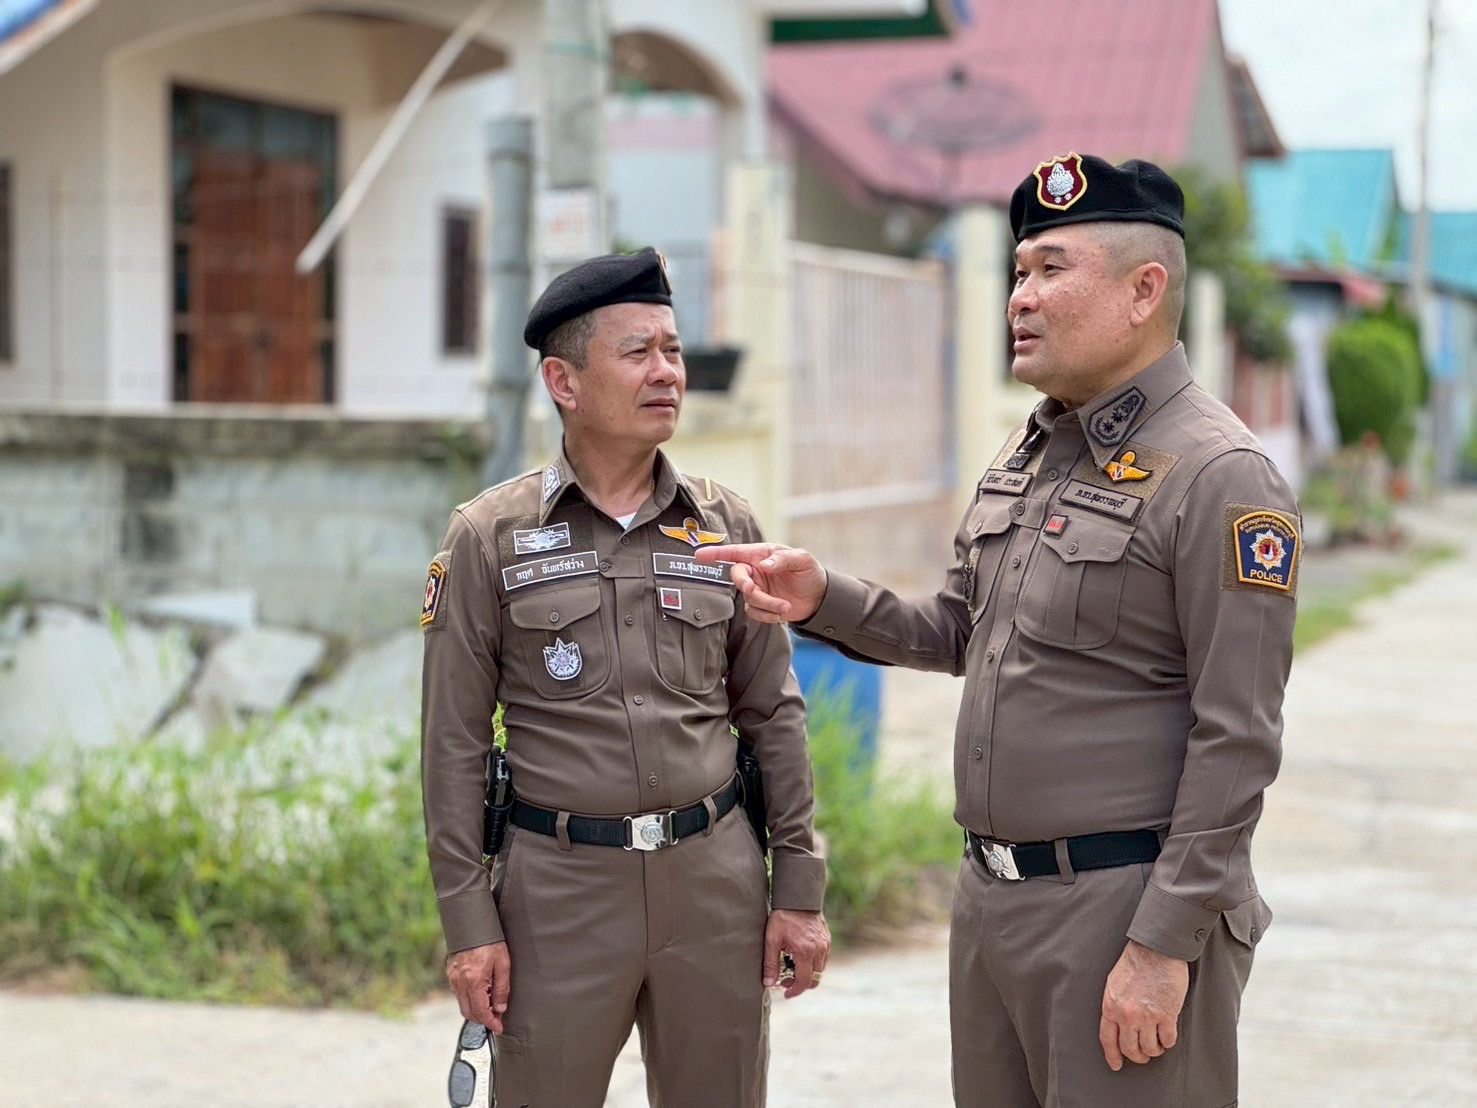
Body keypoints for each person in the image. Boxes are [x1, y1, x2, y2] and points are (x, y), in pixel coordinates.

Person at [702, 155, 1297, 1107]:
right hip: (991, 904)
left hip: (1121, 909)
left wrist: (1162, 943)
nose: (1019, 297)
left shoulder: (1219, 474)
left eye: (1051, 270)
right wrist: (821, 597)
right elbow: (960, 630)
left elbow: (1238, 738)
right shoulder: (1034, 451)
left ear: (1143, 290)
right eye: (1018, 271)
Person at [419, 247, 829, 1108]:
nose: (666, 372)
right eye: (637, 351)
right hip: (559, 894)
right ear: (563, 382)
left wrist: (798, 890)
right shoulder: (488, 537)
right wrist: (469, 926)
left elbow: (773, 715)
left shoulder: (723, 525)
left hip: (713, 886)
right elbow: (452, 746)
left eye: (672, 350)